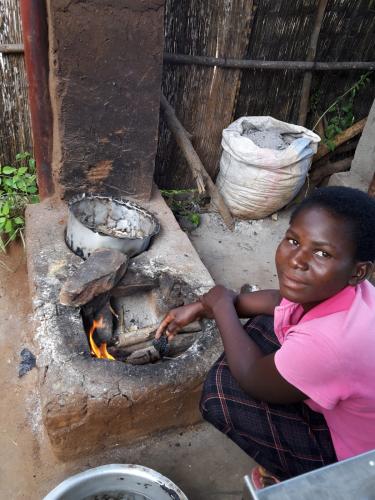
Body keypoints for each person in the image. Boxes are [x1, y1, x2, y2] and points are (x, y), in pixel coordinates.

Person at [155, 186, 375, 488]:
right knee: (264, 325)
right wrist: (204, 306)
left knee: (221, 393)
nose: (297, 260)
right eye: (294, 240)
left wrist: (220, 305)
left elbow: (251, 377)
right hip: (351, 402)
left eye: (322, 253)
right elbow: (279, 302)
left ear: (358, 271)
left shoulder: (330, 343)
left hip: (355, 463)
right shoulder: (354, 294)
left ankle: (299, 476)